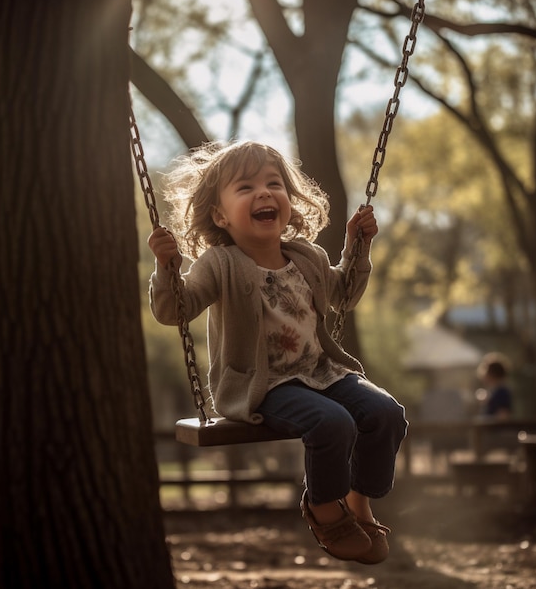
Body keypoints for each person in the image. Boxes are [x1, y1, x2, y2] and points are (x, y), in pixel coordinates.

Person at [148, 141, 407, 565]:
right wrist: (167, 269)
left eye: (274, 183)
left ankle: (360, 503)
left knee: (386, 413)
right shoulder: (220, 264)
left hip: (321, 372)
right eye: (246, 187)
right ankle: (324, 508)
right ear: (220, 215)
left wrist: (357, 247)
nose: (265, 192)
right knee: (332, 423)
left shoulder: (308, 256)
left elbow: (345, 295)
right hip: (263, 384)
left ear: (288, 201)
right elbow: (175, 309)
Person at [476, 352, 513, 419]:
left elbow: (503, 416)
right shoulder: (494, 391)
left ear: (492, 374)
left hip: (497, 429)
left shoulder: (502, 392)